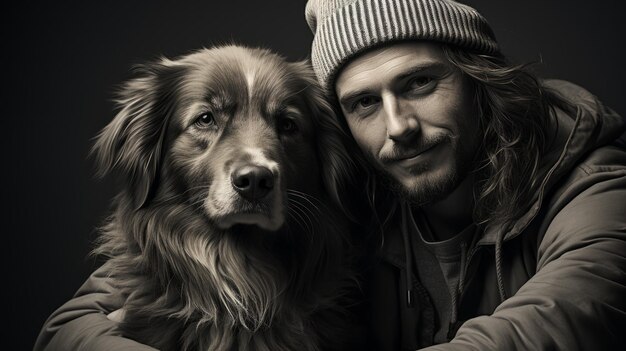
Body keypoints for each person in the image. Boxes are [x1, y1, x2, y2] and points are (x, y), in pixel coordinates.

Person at [35, 0, 626, 350]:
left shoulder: (595, 184)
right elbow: (69, 326)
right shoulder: (363, 189)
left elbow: (570, 314)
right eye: (365, 103)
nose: (399, 128)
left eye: (420, 82)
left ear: (480, 79)